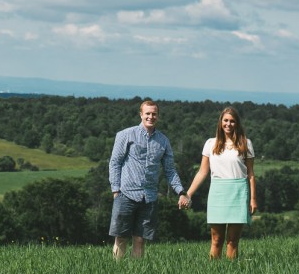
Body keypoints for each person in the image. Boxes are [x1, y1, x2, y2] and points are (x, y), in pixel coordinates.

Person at [108, 99, 191, 259]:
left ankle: (136, 273)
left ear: (158, 116)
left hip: (149, 197)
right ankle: (116, 271)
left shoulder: (163, 140)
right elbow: (115, 163)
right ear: (141, 114)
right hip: (126, 194)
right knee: (121, 237)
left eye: (154, 114)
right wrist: (116, 190)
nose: (150, 117)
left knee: (140, 239)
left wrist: (181, 191)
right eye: (147, 113)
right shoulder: (126, 135)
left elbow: (170, 170)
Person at [183, 106, 256, 260]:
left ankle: (230, 273)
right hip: (218, 192)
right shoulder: (210, 143)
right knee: (216, 240)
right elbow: (203, 172)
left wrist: (253, 199)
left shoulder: (245, 143)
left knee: (232, 241)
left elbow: (250, 173)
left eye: (232, 121)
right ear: (220, 122)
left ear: (237, 123)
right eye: (225, 120)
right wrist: (188, 194)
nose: (228, 124)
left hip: (238, 191)